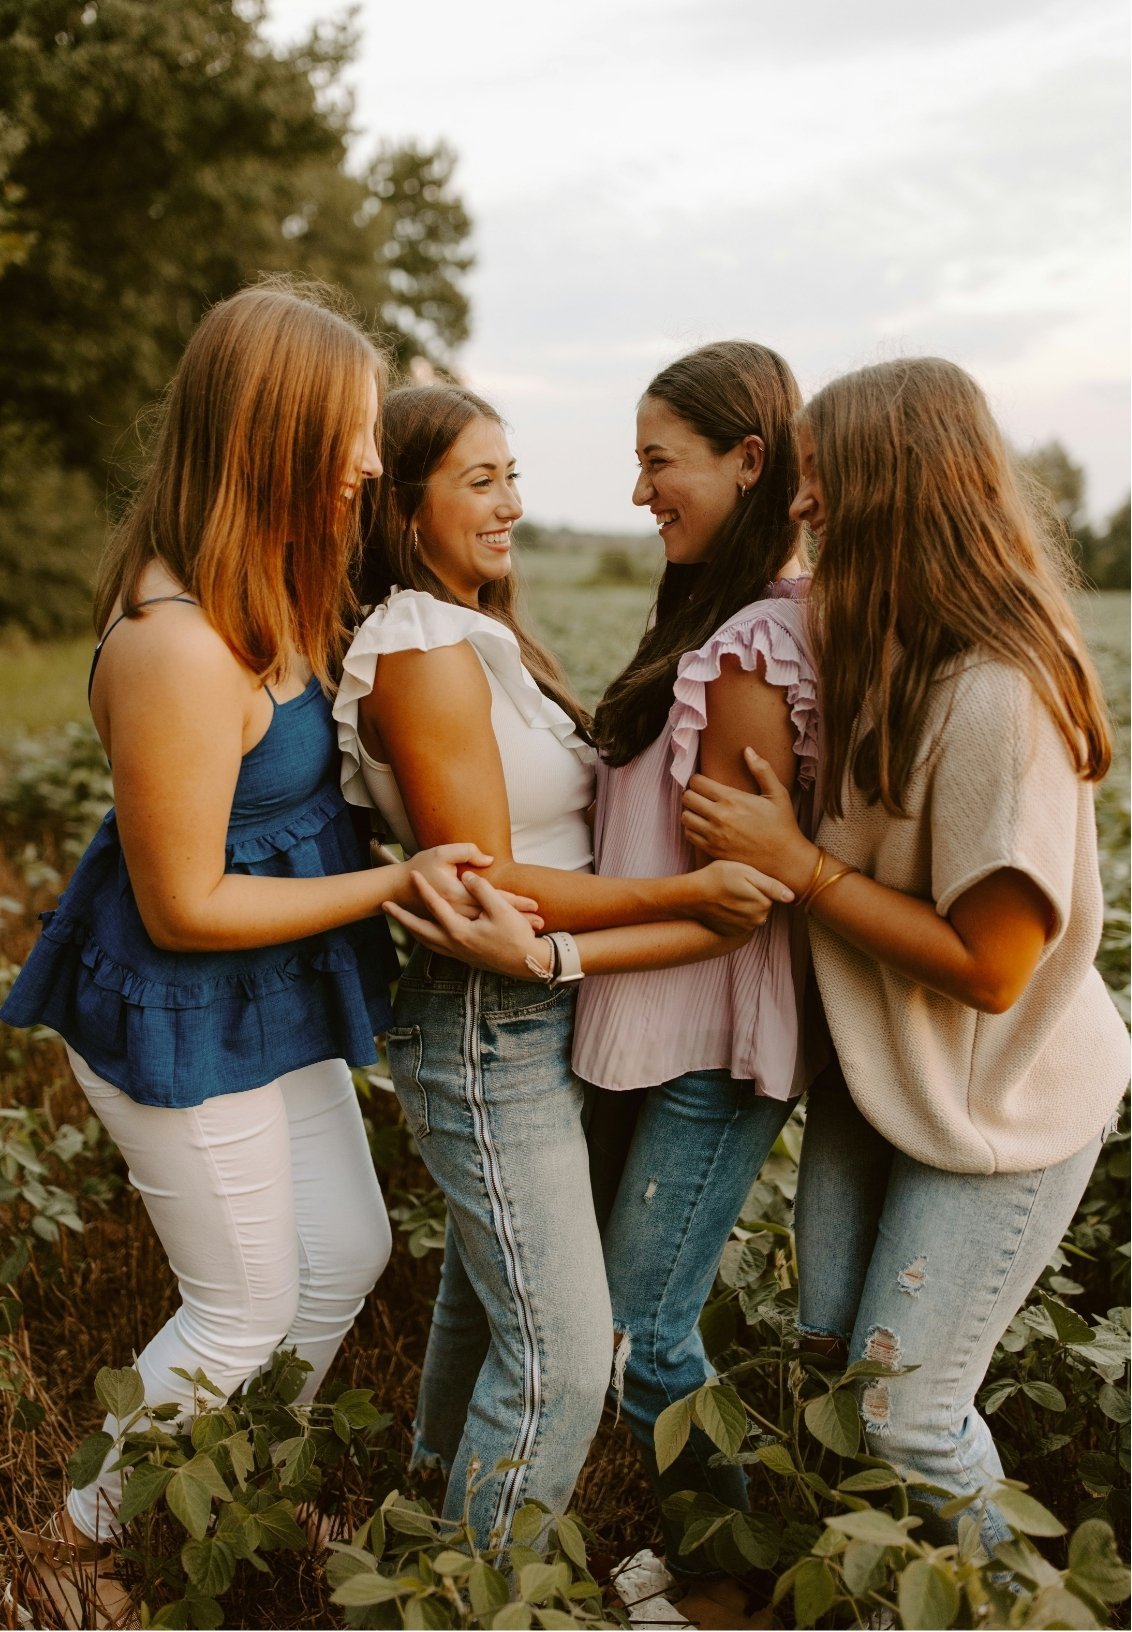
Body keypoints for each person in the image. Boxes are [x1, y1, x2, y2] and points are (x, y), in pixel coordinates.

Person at [0, 281, 494, 1628]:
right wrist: (396, 879)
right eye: (348, 430)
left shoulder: (277, 583)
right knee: (241, 1307)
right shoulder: (174, 643)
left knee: (344, 1252)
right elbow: (184, 907)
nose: (369, 459)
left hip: (267, 992)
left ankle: (239, 1484)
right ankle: (68, 1549)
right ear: (272, 433)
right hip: (176, 1007)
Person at [369, 344, 821, 1627]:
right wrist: (587, 945)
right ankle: (447, 1550)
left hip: (683, 1019)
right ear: (406, 511)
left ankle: (730, 1574)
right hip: (596, 1010)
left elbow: (741, 898)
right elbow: (599, 867)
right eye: (482, 479)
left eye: (655, 462)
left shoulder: (749, 635)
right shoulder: (666, 616)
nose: (633, 492)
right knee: (542, 1314)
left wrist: (568, 952)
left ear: (747, 462)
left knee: (620, 1334)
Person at [680, 356, 1129, 1560]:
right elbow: (758, 577)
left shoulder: (996, 700)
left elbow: (992, 971)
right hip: (891, 1081)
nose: (801, 504)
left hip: (1004, 1101)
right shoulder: (885, 642)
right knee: (826, 1370)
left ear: (890, 492)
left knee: (905, 1417)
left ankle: (1025, 1607)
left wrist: (799, 861)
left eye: (820, 480)